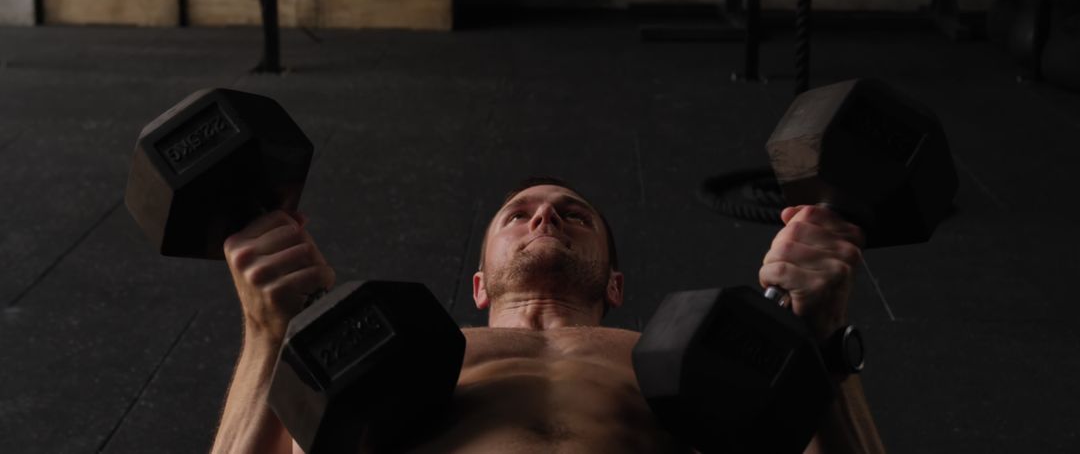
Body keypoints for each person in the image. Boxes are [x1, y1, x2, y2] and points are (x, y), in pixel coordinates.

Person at [211, 177, 886, 453]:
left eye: (572, 214)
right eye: (518, 214)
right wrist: (267, 336)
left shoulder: (684, 359)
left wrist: (821, 337)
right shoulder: (395, 362)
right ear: (479, 285)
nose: (544, 214)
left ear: (615, 283)